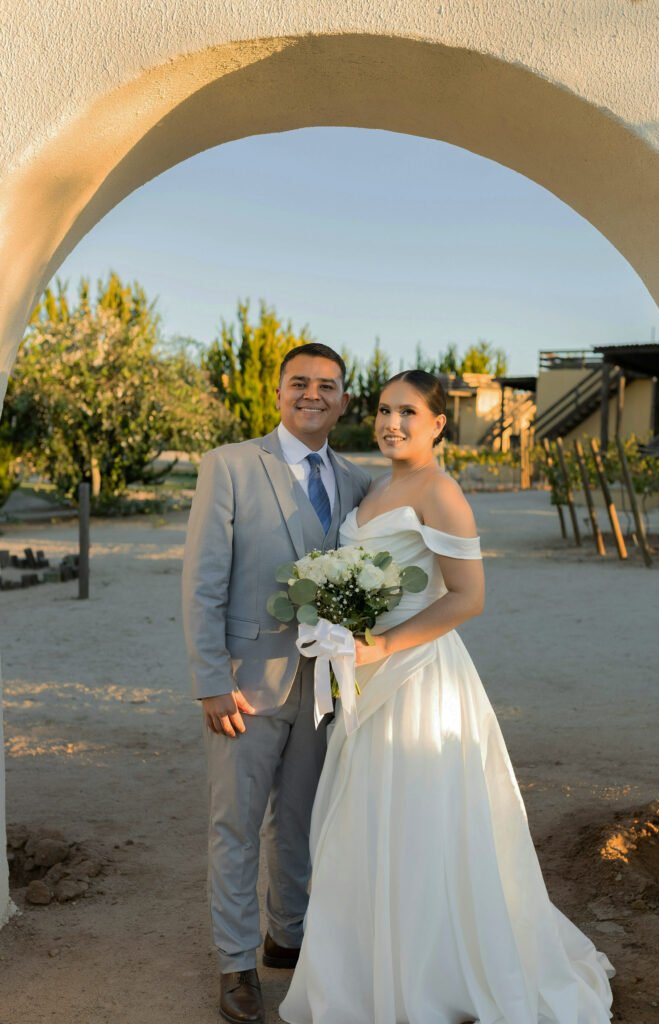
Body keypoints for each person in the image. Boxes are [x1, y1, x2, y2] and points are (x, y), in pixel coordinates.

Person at [280, 369, 615, 1024]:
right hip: (364, 683)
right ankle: (375, 970)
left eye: (407, 412)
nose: (390, 423)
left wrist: (379, 645)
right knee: (367, 823)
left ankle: (431, 976)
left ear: (437, 424)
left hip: (418, 681)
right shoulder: (377, 487)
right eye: (381, 410)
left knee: (421, 825)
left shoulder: (438, 489)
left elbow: (468, 597)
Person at [182, 343, 371, 1024]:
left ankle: (286, 935)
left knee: (300, 821)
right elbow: (202, 579)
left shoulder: (356, 481)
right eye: (299, 383)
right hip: (244, 682)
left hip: (326, 686)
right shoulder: (230, 466)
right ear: (277, 393)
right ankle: (235, 966)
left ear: (344, 400)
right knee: (234, 824)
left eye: (327, 385)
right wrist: (209, 680)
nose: (311, 394)